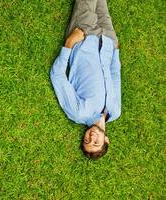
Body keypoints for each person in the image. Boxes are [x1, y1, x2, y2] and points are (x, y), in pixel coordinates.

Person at [50, 0, 121, 159]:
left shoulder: (78, 113)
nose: (92, 137)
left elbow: (57, 76)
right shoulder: (115, 112)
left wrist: (69, 43)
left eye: (87, 140)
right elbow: (115, 77)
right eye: (96, 142)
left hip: (84, 36)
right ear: (106, 140)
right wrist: (115, 52)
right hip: (108, 40)